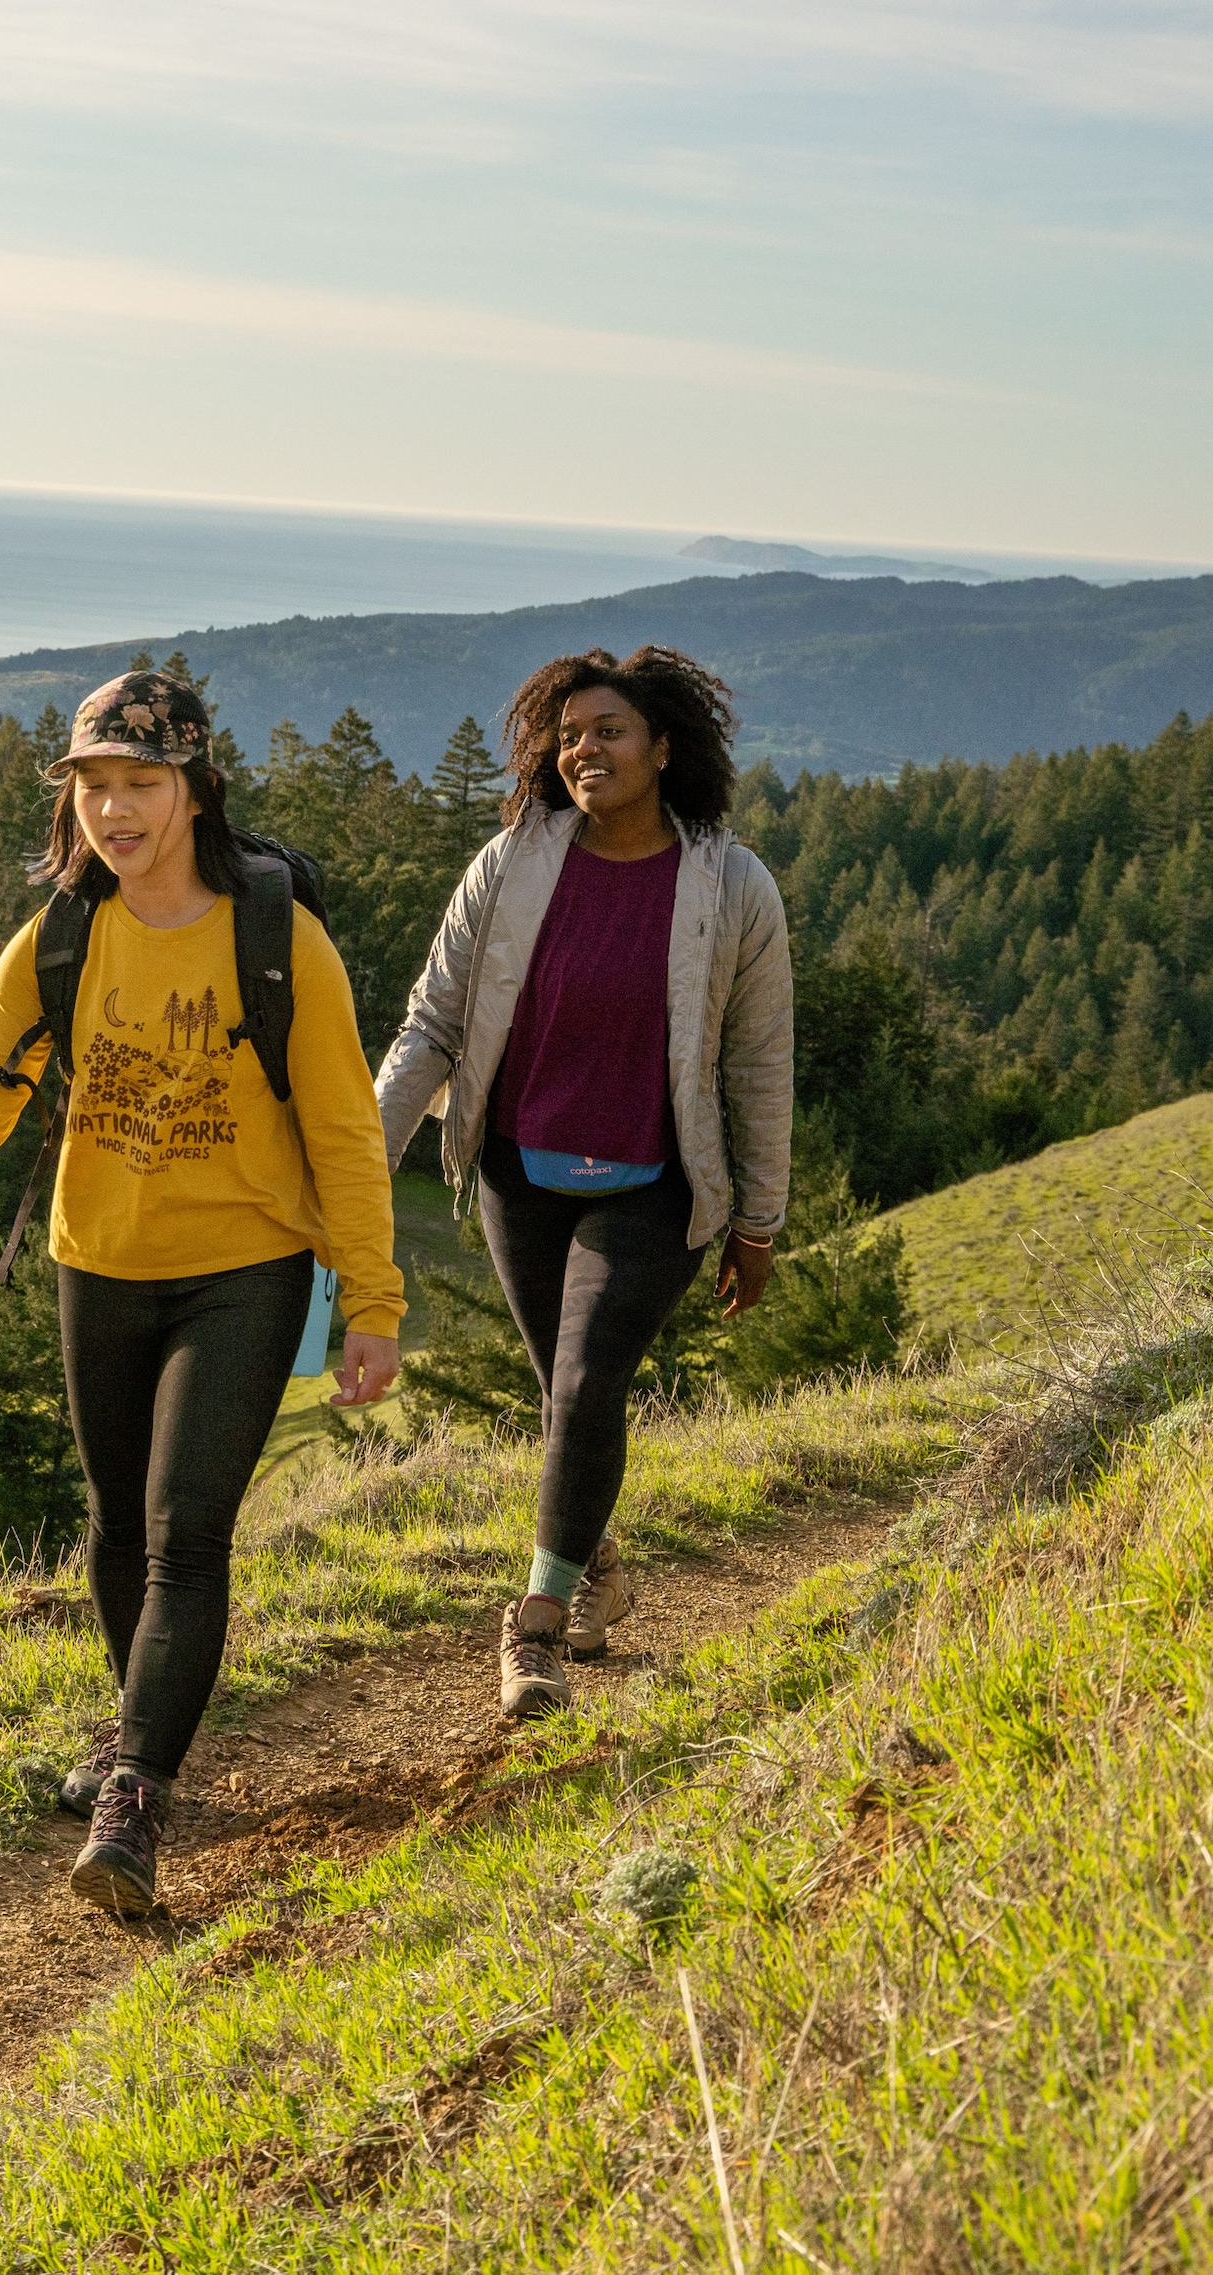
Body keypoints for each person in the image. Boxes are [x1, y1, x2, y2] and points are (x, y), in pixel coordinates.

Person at [0, 670, 405, 1917]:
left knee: (187, 1527)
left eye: (140, 783)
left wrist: (372, 1300)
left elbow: (348, 1131)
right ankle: (139, 1730)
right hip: (99, 1266)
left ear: (194, 787)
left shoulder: (277, 939)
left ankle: (134, 1791)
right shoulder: (59, 941)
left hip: (245, 1272)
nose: (114, 810)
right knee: (115, 1527)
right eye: (92, 786)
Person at [374, 645, 791, 1722]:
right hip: (520, 1170)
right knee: (564, 1396)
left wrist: (757, 1222)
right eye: (567, 736)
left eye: (608, 731)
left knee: (587, 1382)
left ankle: (532, 1628)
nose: (584, 750)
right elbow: (432, 1026)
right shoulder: (510, 864)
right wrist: (357, 1168)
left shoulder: (731, 886)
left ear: (662, 748)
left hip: (655, 1184)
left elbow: (757, 1065)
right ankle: (593, 1560)